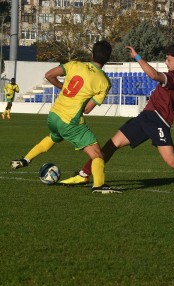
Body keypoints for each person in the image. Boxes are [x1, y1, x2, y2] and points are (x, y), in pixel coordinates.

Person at [60, 44, 174, 193]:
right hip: (145, 117)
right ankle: (83, 174)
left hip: (159, 121)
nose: (166, 62)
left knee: (172, 161)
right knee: (111, 145)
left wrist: (137, 56)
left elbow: (153, 75)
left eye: (168, 59)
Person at [10, 40, 120, 194]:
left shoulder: (75, 64)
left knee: (53, 137)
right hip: (70, 121)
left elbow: (49, 75)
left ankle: (25, 159)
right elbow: (87, 109)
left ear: (92, 54)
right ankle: (99, 186)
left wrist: (63, 87)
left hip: (54, 116)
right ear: (108, 59)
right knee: (98, 155)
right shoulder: (104, 82)